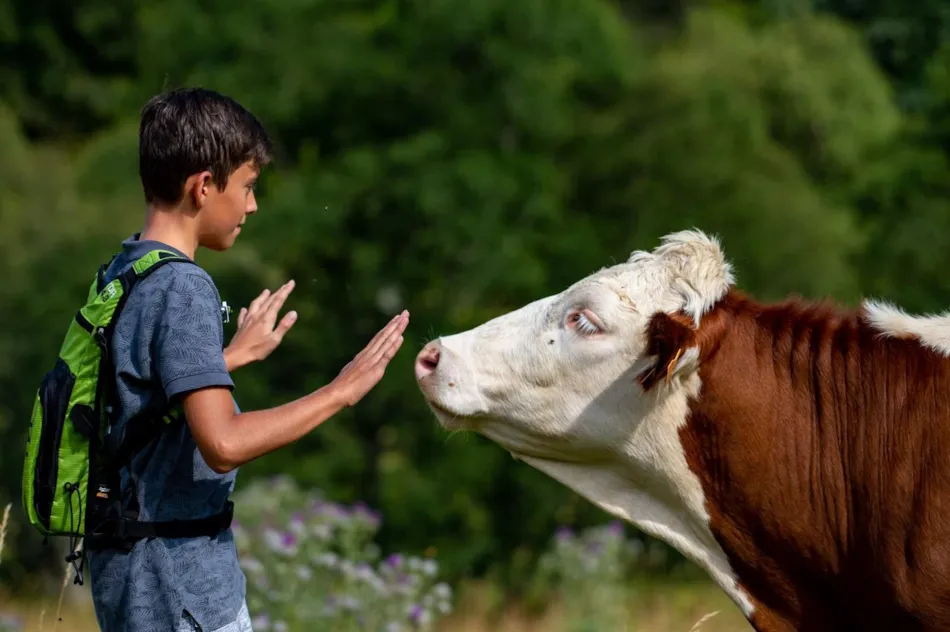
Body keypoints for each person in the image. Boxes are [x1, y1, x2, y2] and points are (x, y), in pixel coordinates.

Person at [86, 87, 409, 632]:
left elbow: (136, 396)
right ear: (204, 186)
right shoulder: (183, 286)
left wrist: (228, 357)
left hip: (128, 574)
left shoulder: (124, 269)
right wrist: (340, 392)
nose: (253, 205)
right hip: (182, 587)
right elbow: (223, 444)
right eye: (248, 186)